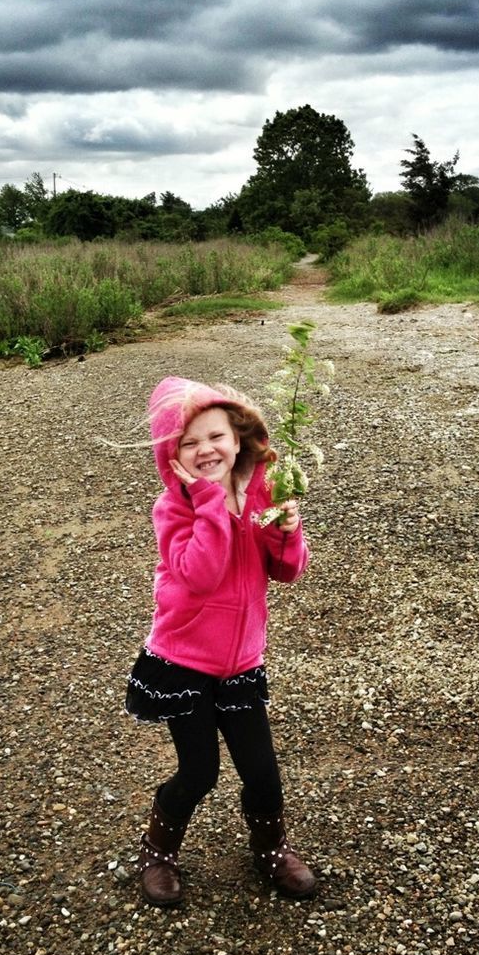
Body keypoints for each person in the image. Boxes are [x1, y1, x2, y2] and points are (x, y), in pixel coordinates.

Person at [125, 375, 316, 907]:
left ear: (238, 437)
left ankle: (271, 849)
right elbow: (202, 574)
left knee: (263, 772)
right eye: (190, 443)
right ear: (174, 457)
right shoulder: (174, 509)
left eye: (216, 436)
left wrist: (286, 528)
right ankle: (159, 851)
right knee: (200, 770)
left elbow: (287, 571)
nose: (206, 449)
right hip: (184, 662)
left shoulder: (264, 492)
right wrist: (208, 500)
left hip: (241, 662)